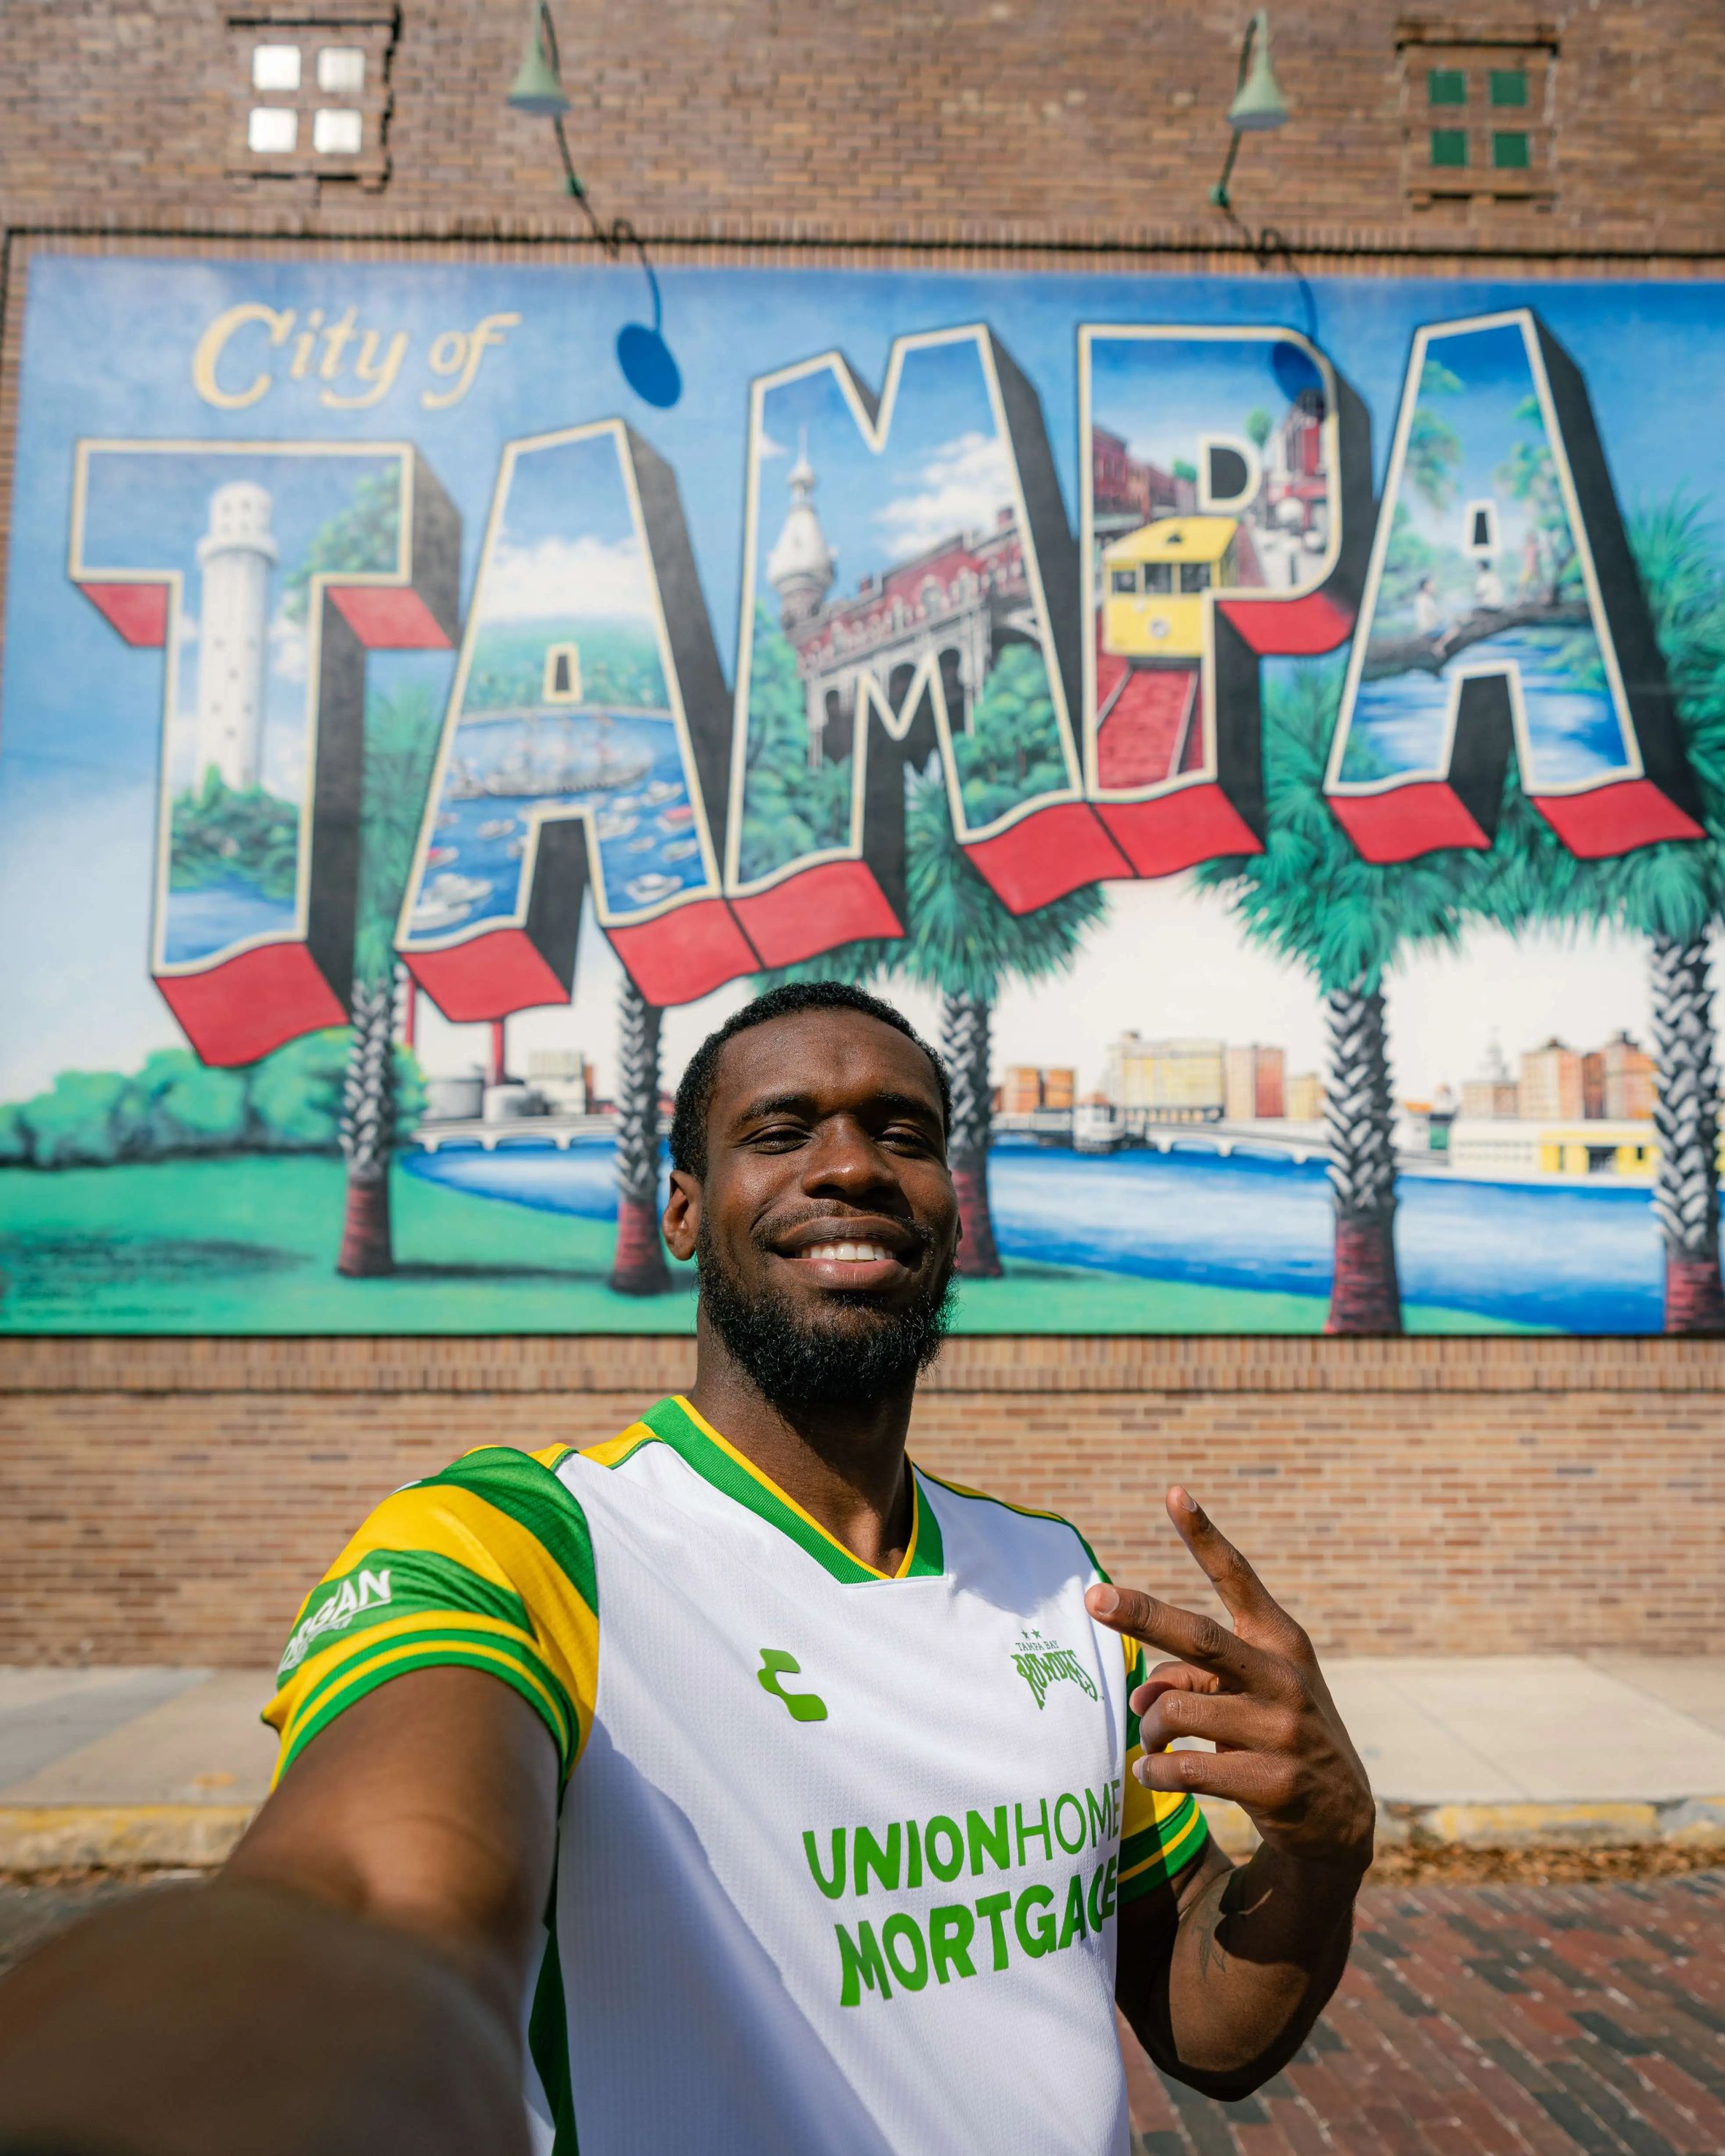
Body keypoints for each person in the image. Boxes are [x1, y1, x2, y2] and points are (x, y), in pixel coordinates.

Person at [0, 983, 1374, 2156]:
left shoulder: (1063, 1583)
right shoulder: (522, 1545)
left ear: (951, 1213)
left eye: (903, 1132)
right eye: (780, 1131)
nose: (851, 1166)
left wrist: (1324, 1848)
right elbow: (365, 1898)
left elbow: (1202, 2022)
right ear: (679, 1207)